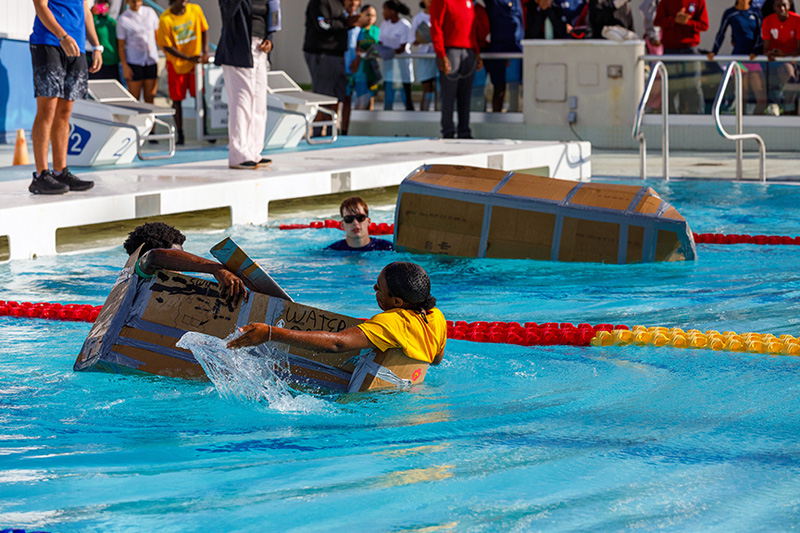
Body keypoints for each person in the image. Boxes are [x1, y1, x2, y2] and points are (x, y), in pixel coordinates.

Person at [228, 261, 447, 367]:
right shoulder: (436, 316)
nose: (374, 288)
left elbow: (338, 343)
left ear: (398, 302)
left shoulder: (391, 323)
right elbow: (436, 360)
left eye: (379, 287)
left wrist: (270, 333)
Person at [29, 0, 101, 196]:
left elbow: (85, 11)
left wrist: (96, 46)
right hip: (48, 42)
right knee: (47, 109)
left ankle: (60, 171)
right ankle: (41, 175)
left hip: (76, 46)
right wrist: (62, 36)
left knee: (65, 112)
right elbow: (40, 6)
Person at [214, 0, 278, 169]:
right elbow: (228, 11)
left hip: (259, 48)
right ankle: (239, 154)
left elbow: (271, 15)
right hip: (238, 49)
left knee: (259, 103)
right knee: (242, 102)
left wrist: (270, 39)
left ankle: (254, 151)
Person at [123, 222, 246, 304]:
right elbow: (153, 257)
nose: (181, 270)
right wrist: (216, 269)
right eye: (177, 259)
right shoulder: (140, 273)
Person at [304, 0, 362, 133]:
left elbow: (340, 26)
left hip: (337, 54)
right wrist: (346, 23)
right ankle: (317, 133)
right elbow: (323, 25)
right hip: (322, 53)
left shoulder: (339, 4)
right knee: (324, 96)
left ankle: (332, 132)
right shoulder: (321, 2)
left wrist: (350, 23)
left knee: (336, 97)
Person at [156, 0, 210, 146]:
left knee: (199, 95)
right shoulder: (166, 19)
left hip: (195, 64)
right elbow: (167, 46)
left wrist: (205, 52)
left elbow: (204, 30)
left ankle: (205, 130)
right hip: (177, 65)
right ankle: (180, 133)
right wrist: (187, 58)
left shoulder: (195, 10)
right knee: (177, 99)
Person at [430, 0, 484, 139]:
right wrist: (441, 54)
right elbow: (436, 26)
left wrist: (476, 52)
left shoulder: (468, 2)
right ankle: (448, 131)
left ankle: (464, 131)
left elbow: (472, 30)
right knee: (448, 95)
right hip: (450, 51)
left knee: (465, 95)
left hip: (468, 52)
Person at [708, 0, 766, 115]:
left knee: (762, 97)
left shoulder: (756, 12)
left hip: (753, 59)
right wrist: (714, 51)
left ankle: (755, 120)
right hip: (739, 60)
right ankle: (742, 122)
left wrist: (755, 51)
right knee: (742, 96)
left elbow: (761, 34)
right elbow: (721, 33)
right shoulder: (730, 13)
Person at [654, 0, 709, 114]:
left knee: (693, 86)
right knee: (670, 87)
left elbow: (704, 25)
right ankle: (670, 117)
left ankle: (696, 117)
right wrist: (674, 20)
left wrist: (687, 22)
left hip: (690, 50)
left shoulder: (699, 1)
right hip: (670, 51)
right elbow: (657, 21)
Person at [759, 0, 800, 114]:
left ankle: (788, 110)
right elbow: (765, 48)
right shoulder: (767, 21)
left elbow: (799, 49)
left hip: (793, 61)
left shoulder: (797, 20)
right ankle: (775, 108)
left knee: (790, 78)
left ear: (789, 6)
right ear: (773, 7)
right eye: (778, 5)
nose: (782, 8)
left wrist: (784, 55)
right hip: (773, 63)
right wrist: (769, 53)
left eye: (784, 5)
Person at [117, 0, 160, 107]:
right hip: (134, 62)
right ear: (128, 2)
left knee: (150, 97)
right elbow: (121, 45)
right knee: (134, 98)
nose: (136, 4)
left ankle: (151, 118)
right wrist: (125, 66)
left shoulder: (150, 12)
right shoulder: (123, 19)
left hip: (151, 60)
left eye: (139, 1)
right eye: (133, 1)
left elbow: (158, 36)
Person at [483, 0, 524, 112]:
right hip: (498, 48)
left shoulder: (515, 2)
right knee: (499, 87)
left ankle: (517, 115)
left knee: (518, 86)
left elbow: (519, 20)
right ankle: (496, 117)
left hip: (516, 48)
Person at [380, 0, 415, 110]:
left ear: (392, 11)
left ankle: (409, 110)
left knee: (405, 88)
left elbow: (401, 48)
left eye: (385, 10)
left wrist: (388, 51)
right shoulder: (384, 24)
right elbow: (380, 42)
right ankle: (388, 109)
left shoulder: (404, 25)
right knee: (389, 85)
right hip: (388, 62)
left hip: (402, 62)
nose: (383, 13)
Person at [327, 196, 394, 251]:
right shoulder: (331, 251)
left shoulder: (388, 248)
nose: (355, 223)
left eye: (360, 217)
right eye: (348, 219)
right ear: (342, 225)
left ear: (368, 221)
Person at [350, 4, 381, 110]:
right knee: (360, 97)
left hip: (372, 70)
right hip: (360, 70)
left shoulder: (376, 30)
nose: (370, 18)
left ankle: (369, 116)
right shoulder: (357, 29)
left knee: (371, 95)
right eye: (368, 15)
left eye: (373, 15)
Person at [342, 0, 364, 134]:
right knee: (334, 100)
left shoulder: (358, 21)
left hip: (350, 67)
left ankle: (344, 131)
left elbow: (358, 45)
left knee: (347, 99)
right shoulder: (339, 17)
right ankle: (329, 128)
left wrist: (357, 58)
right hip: (337, 64)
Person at [412, 0, 437, 111]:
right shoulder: (418, 18)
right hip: (424, 58)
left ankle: (439, 113)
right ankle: (424, 113)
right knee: (427, 89)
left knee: (439, 89)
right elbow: (412, 39)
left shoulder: (440, 14)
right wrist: (423, 37)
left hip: (438, 56)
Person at [89, 0, 121, 81]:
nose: (102, 6)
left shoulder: (112, 22)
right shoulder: (92, 21)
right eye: (100, 4)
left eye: (105, 4)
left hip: (112, 63)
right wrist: (92, 14)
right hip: (97, 62)